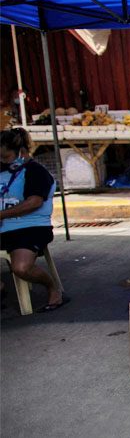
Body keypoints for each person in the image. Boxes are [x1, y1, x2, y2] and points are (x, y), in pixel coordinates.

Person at [1, 128, 64, 312]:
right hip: (4, 228)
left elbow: (34, 202)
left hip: (31, 227)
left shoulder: (35, 172)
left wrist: (2, 215)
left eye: (5, 157)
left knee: (21, 267)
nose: (2, 162)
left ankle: (52, 287)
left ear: (21, 153)